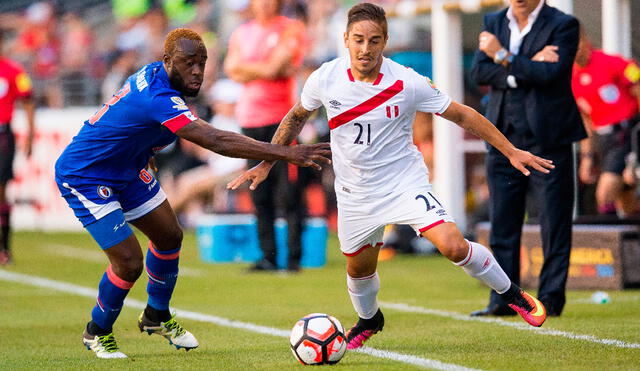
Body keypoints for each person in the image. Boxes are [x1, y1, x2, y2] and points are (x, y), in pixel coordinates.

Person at [228, 3, 553, 350]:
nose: (365, 49)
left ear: (385, 41)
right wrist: (267, 162)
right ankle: (369, 320)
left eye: (374, 41)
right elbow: (295, 118)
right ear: (346, 40)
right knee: (358, 271)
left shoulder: (407, 81)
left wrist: (511, 150)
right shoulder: (325, 77)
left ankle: (512, 294)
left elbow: (463, 115)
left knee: (453, 245)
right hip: (355, 192)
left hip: (403, 184)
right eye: (358, 40)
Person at [54, 28, 330, 359]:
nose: (197, 72)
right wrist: (288, 153)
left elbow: (128, 120)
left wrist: (146, 150)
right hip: (85, 174)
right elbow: (216, 140)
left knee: (170, 236)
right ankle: (97, 331)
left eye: (202, 63)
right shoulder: (158, 97)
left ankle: (156, 315)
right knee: (129, 262)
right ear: (168, 61)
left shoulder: (158, 77)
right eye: (189, 63)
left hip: (127, 168)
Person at [471, 0, 586, 317]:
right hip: (503, 138)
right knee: (503, 225)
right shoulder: (493, 20)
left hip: (547, 139)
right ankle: (504, 300)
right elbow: (479, 70)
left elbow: (552, 74)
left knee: (553, 222)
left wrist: (504, 57)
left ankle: (550, 300)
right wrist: (524, 66)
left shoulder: (563, 24)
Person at [224, 0, 308, 272]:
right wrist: (266, 68)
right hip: (250, 119)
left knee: (288, 190)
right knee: (259, 191)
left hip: (283, 119)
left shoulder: (291, 28)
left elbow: (271, 67)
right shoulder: (241, 32)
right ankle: (268, 256)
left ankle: (294, 257)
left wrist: (248, 70)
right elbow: (231, 69)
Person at [573, 29, 640, 217]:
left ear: (584, 40)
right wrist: (587, 157)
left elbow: (638, 87)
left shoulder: (613, 62)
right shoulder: (571, 79)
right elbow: (585, 121)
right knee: (625, 199)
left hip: (626, 134)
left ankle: (609, 243)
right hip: (604, 141)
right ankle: (631, 244)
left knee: (605, 193)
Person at [0, 29, 36, 265]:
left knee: (1, 190)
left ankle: (4, 247)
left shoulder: (13, 71)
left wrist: (31, 134)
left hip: (2, 135)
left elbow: (28, 100)